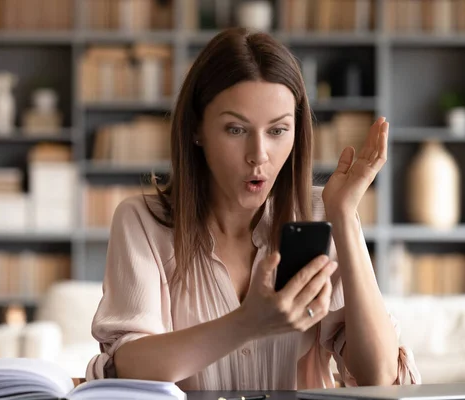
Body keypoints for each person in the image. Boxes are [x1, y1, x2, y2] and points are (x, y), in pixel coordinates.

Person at [86, 27, 421, 390]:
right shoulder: (143, 222)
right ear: (197, 128)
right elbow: (129, 368)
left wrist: (343, 215)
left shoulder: (320, 214)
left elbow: (381, 378)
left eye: (277, 131)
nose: (258, 156)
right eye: (235, 129)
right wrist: (248, 322)